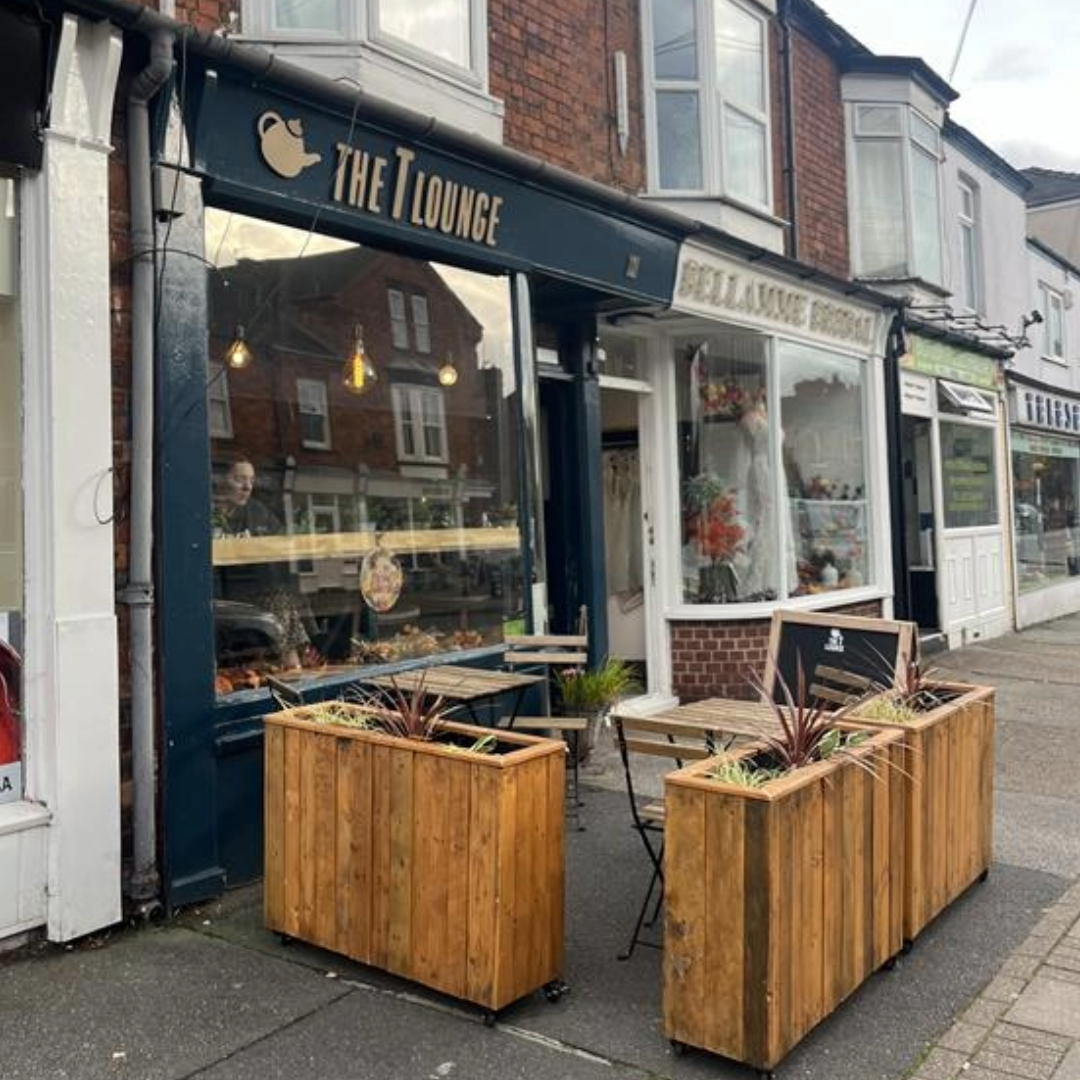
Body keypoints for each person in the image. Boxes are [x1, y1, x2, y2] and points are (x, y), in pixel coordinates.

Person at [213, 455, 311, 670]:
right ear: (222, 480)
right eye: (239, 479)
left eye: (251, 480)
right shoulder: (208, 511)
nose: (247, 487)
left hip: (251, 592)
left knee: (284, 599)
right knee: (280, 602)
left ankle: (292, 664)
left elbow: (281, 542)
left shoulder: (256, 511)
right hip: (218, 594)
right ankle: (293, 663)